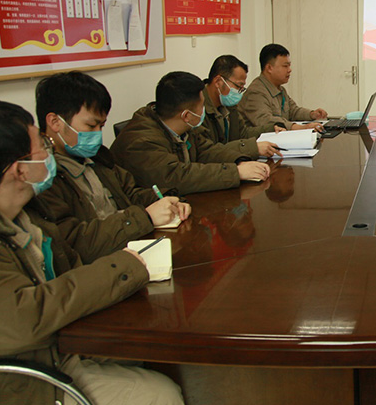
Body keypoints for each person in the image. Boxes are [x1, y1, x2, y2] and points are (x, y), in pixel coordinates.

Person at [0, 98, 207, 405]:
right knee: (157, 400)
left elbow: (70, 255)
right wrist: (129, 264)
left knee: (168, 352)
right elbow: (21, 321)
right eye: (41, 149)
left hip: (53, 346)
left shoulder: (12, 211)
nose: (49, 154)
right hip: (7, 383)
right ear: (19, 170)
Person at [35, 71, 190, 263]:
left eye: (102, 126)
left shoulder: (97, 158)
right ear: (55, 122)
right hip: (100, 265)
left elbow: (129, 194)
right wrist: (145, 217)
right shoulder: (41, 177)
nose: (98, 134)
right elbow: (74, 243)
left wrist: (168, 200)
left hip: (129, 247)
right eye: (91, 126)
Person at [111, 71, 271, 195]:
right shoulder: (141, 141)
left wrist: (240, 161)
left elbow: (207, 150)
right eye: (202, 106)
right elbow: (177, 177)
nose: (205, 110)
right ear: (186, 115)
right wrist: (234, 172)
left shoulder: (182, 126)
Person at [197, 54, 282, 158]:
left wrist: (272, 128)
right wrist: (253, 147)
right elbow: (210, 151)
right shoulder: (197, 108)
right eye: (238, 86)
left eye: (242, 87)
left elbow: (242, 134)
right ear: (218, 82)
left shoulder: (228, 104)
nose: (239, 92)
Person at [241, 43, 326, 131]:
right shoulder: (256, 92)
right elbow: (266, 121)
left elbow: (293, 111)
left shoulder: (279, 88)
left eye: (289, 65)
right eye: (285, 66)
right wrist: (301, 128)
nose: (289, 70)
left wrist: (312, 114)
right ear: (269, 68)